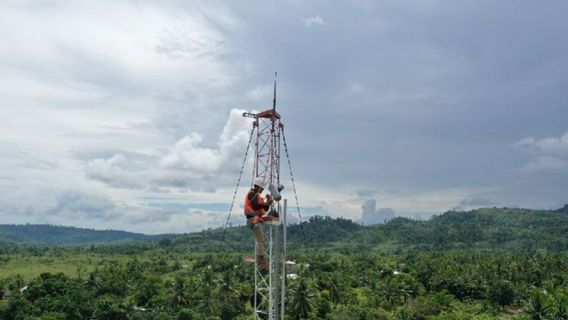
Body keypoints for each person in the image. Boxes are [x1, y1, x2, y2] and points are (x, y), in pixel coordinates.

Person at [244, 177, 273, 272]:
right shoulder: (252, 193)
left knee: (262, 241)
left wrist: (268, 202)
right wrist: (268, 202)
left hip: (256, 220)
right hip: (254, 220)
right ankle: (261, 264)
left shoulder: (257, 196)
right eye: (262, 188)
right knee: (261, 241)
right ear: (258, 186)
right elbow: (256, 205)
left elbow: (264, 209)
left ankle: (262, 263)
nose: (262, 190)